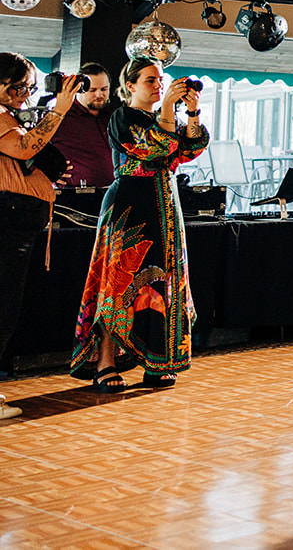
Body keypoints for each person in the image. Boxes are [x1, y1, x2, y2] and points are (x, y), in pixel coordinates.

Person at [70, 58, 208, 391]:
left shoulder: (165, 116)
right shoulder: (122, 117)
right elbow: (152, 147)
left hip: (165, 205)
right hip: (130, 206)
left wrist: (191, 113)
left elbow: (193, 147)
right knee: (117, 283)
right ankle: (105, 362)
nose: (159, 85)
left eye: (161, 79)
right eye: (150, 80)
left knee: (163, 284)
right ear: (130, 85)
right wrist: (169, 112)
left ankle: (157, 361)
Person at [0, 56, 81, 419]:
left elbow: (26, 154)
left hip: (17, 218)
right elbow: (25, 147)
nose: (22, 95)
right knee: (2, 307)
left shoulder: (10, 117)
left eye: (27, 88)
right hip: (8, 219)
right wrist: (60, 109)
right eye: (15, 87)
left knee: (6, 307)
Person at [51, 63, 115, 189]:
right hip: (75, 199)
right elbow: (32, 150)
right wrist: (48, 171)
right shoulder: (60, 116)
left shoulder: (115, 116)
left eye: (104, 89)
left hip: (115, 195)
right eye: (92, 90)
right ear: (79, 89)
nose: (99, 95)